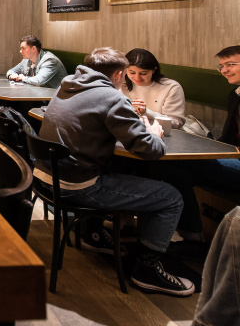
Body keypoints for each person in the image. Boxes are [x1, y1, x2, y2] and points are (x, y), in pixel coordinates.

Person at [37, 47, 194, 296]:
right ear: (120, 74)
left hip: (48, 179)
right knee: (171, 197)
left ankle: (94, 234)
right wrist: (154, 133)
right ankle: (147, 271)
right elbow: (150, 150)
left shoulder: (66, 85)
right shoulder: (111, 97)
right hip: (78, 187)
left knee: (119, 166)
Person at [156, 45, 240, 241]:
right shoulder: (235, 94)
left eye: (230, 64)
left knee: (181, 161)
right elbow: (229, 138)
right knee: (176, 173)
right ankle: (192, 238)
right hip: (235, 157)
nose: (224, 70)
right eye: (221, 66)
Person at [120, 48, 186, 128]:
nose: (137, 78)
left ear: (154, 70)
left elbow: (176, 122)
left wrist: (146, 112)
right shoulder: (121, 84)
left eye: (143, 73)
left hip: (161, 132)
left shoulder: (171, 87)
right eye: (132, 73)